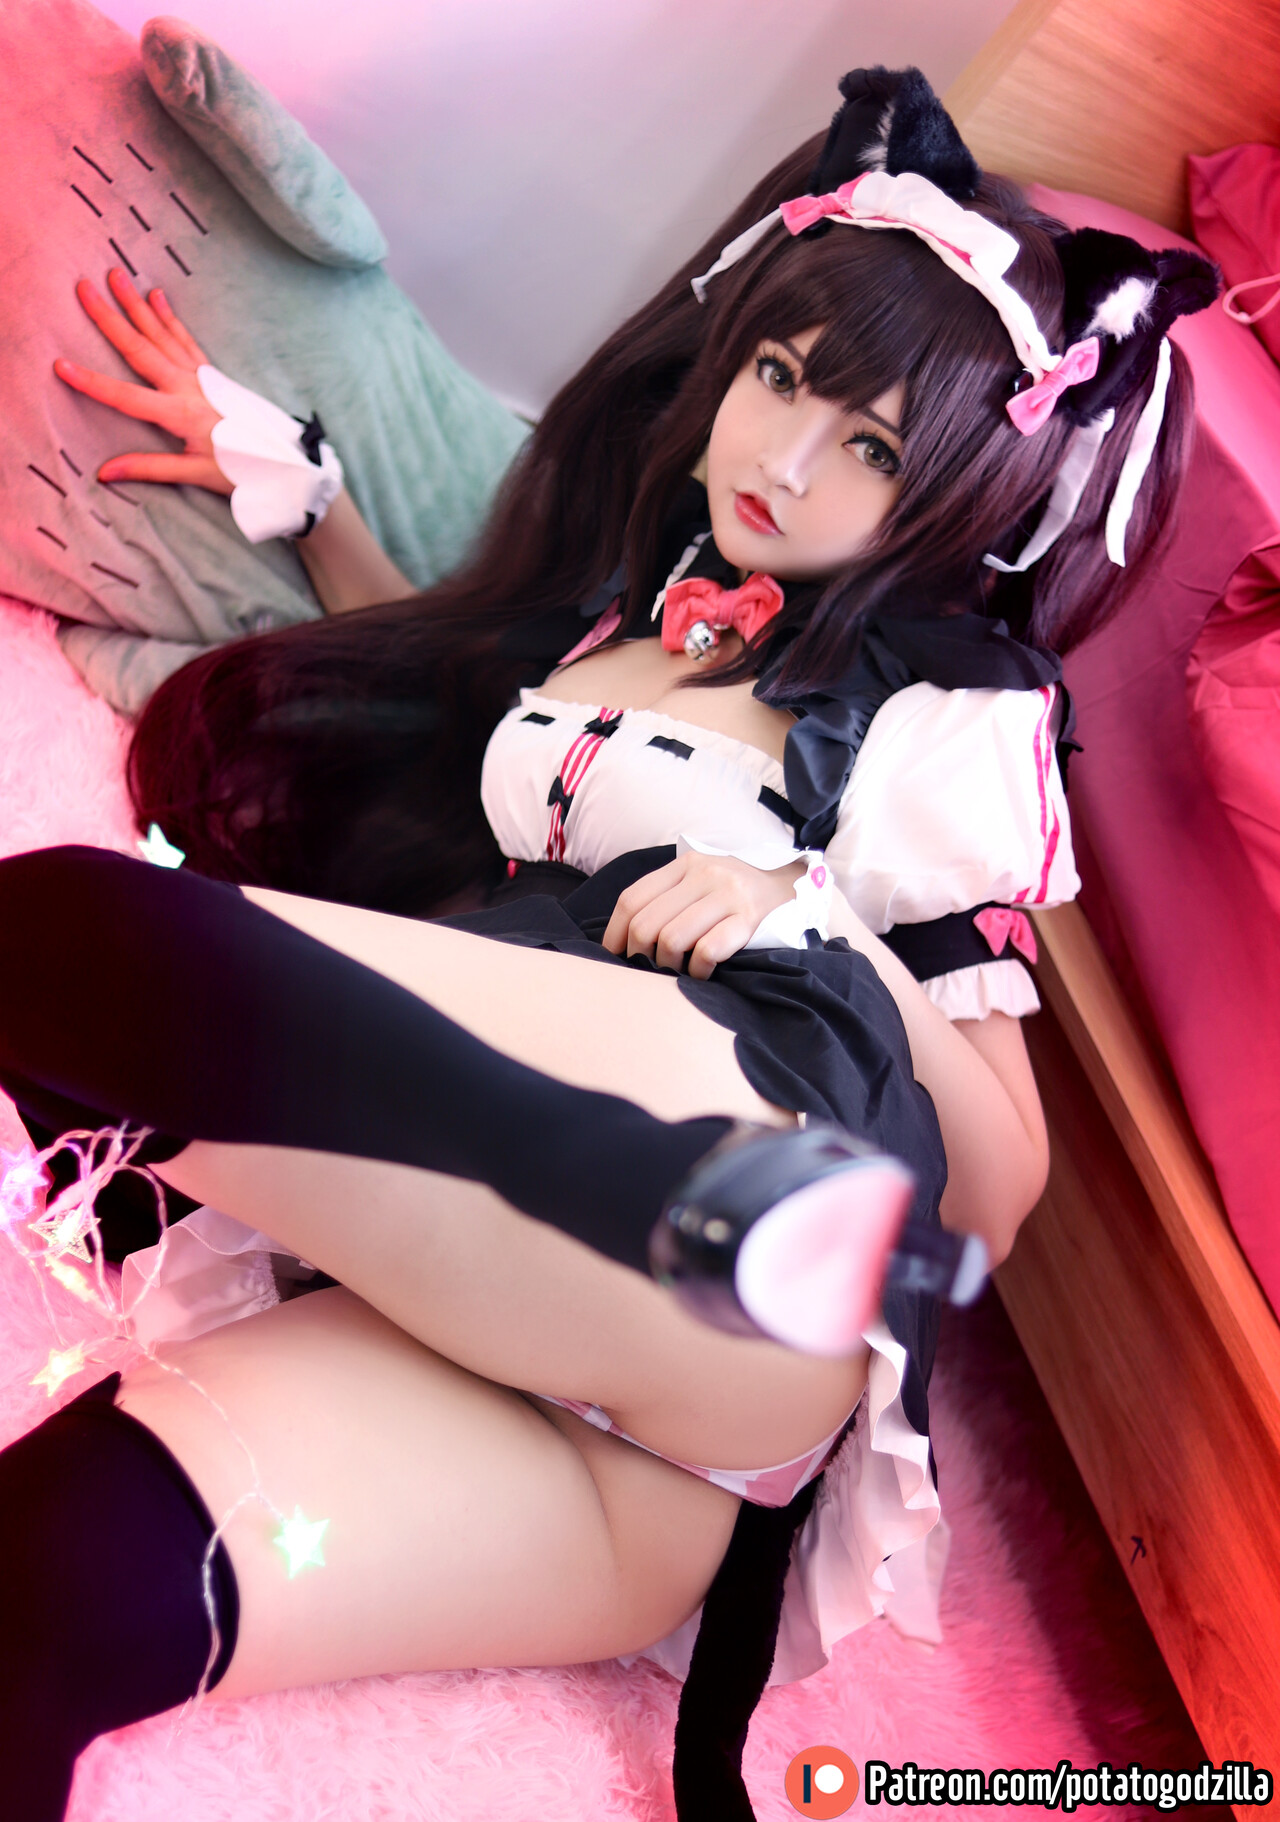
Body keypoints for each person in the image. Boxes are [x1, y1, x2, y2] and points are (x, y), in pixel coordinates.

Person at [0, 67, 1214, 1822]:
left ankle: (638, 1192)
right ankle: (475, 1174)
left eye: (872, 447)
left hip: (728, 1287)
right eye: (782, 378)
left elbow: (1004, 1186)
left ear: (951, 498)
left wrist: (811, 917)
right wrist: (305, 496)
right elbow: (478, 718)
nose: (784, 461)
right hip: (546, 1410)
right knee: (47, 1585)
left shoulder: (943, 713)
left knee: (80, 940)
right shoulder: (642, 608)